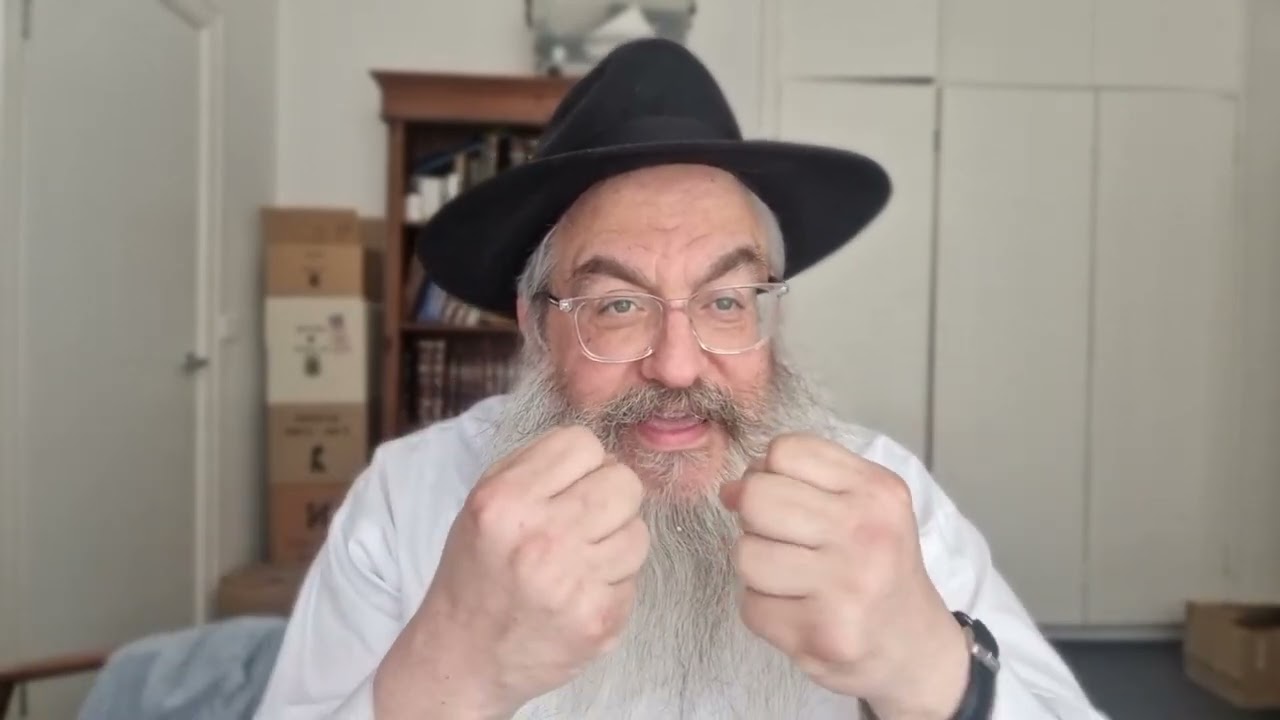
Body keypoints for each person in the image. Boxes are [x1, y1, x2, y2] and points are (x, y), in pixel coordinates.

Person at [256, 39, 1104, 720]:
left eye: (725, 301)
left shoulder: (884, 502)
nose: (676, 364)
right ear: (536, 326)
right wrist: (454, 669)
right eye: (618, 306)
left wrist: (930, 672)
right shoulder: (408, 499)